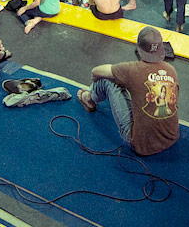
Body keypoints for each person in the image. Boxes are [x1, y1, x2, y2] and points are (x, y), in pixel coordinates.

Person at [76, 27, 179, 156]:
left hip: (141, 145)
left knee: (108, 80)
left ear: (140, 49)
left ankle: (89, 99)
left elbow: (96, 71)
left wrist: (94, 82)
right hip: (171, 138)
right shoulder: (171, 70)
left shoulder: (132, 69)